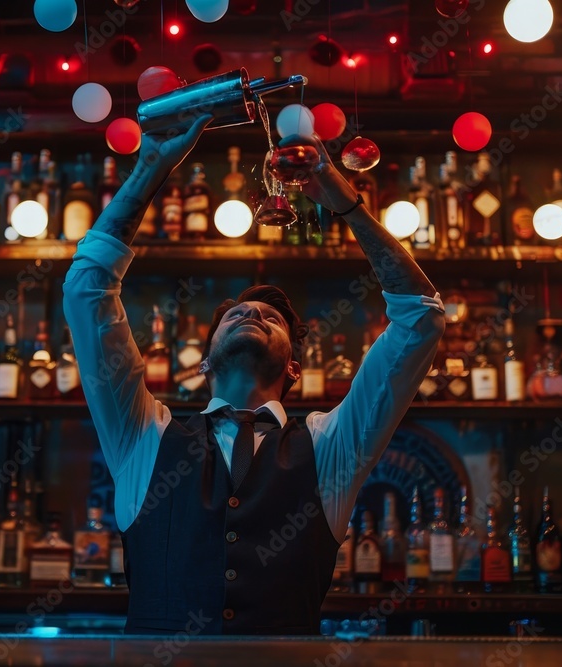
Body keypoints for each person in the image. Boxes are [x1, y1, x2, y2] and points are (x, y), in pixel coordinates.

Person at [63, 115, 445, 635]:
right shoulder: (142, 437)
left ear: (294, 367)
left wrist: (345, 202)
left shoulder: (331, 445)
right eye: (231, 318)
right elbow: (87, 292)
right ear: (203, 362)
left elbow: (420, 316)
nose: (252, 313)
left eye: (274, 319)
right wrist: (150, 169)